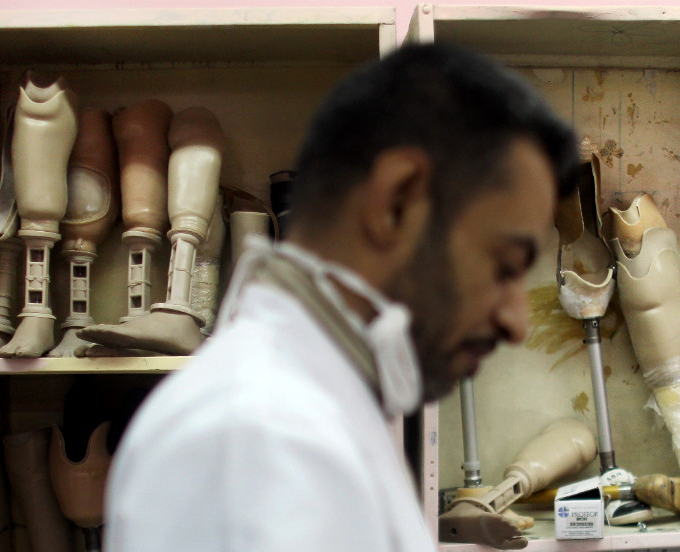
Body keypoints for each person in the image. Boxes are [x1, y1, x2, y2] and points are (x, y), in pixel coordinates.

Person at [104, 43, 579, 551]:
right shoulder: (261, 436)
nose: (516, 323)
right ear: (397, 202)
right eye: (504, 266)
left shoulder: (309, 409)